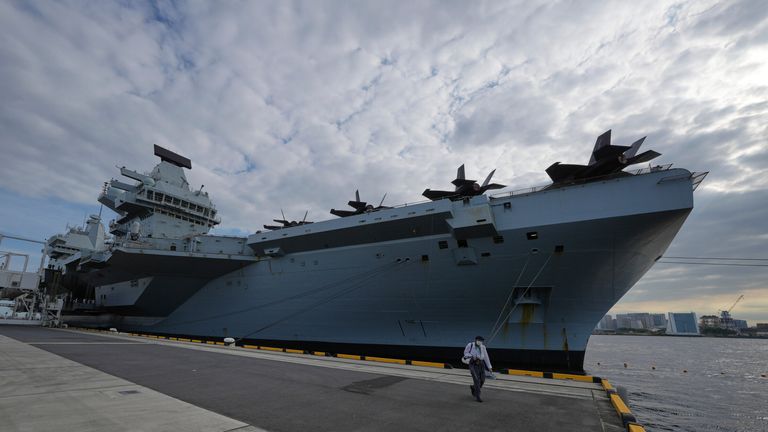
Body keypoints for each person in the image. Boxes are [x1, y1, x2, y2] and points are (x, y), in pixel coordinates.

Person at [463, 335, 492, 402]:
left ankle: (474, 387)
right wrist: (472, 356)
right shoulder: (470, 345)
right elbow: (465, 353)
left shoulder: (483, 347)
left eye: (481, 341)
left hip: (481, 364)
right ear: (475, 340)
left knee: (482, 380)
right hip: (473, 363)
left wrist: (489, 367)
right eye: (479, 340)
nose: (480, 342)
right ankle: (478, 396)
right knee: (476, 379)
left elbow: (486, 357)